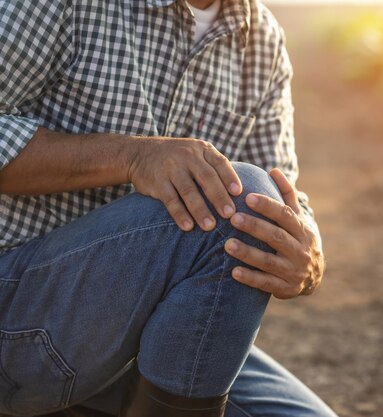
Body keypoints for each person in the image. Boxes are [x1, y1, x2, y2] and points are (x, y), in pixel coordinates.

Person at [0, 0, 336, 416]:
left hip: (140, 336)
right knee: (232, 201)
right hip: (17, 309)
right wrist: (132, 157)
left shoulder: (262, 38)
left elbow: (281, 196)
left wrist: (306, 253)